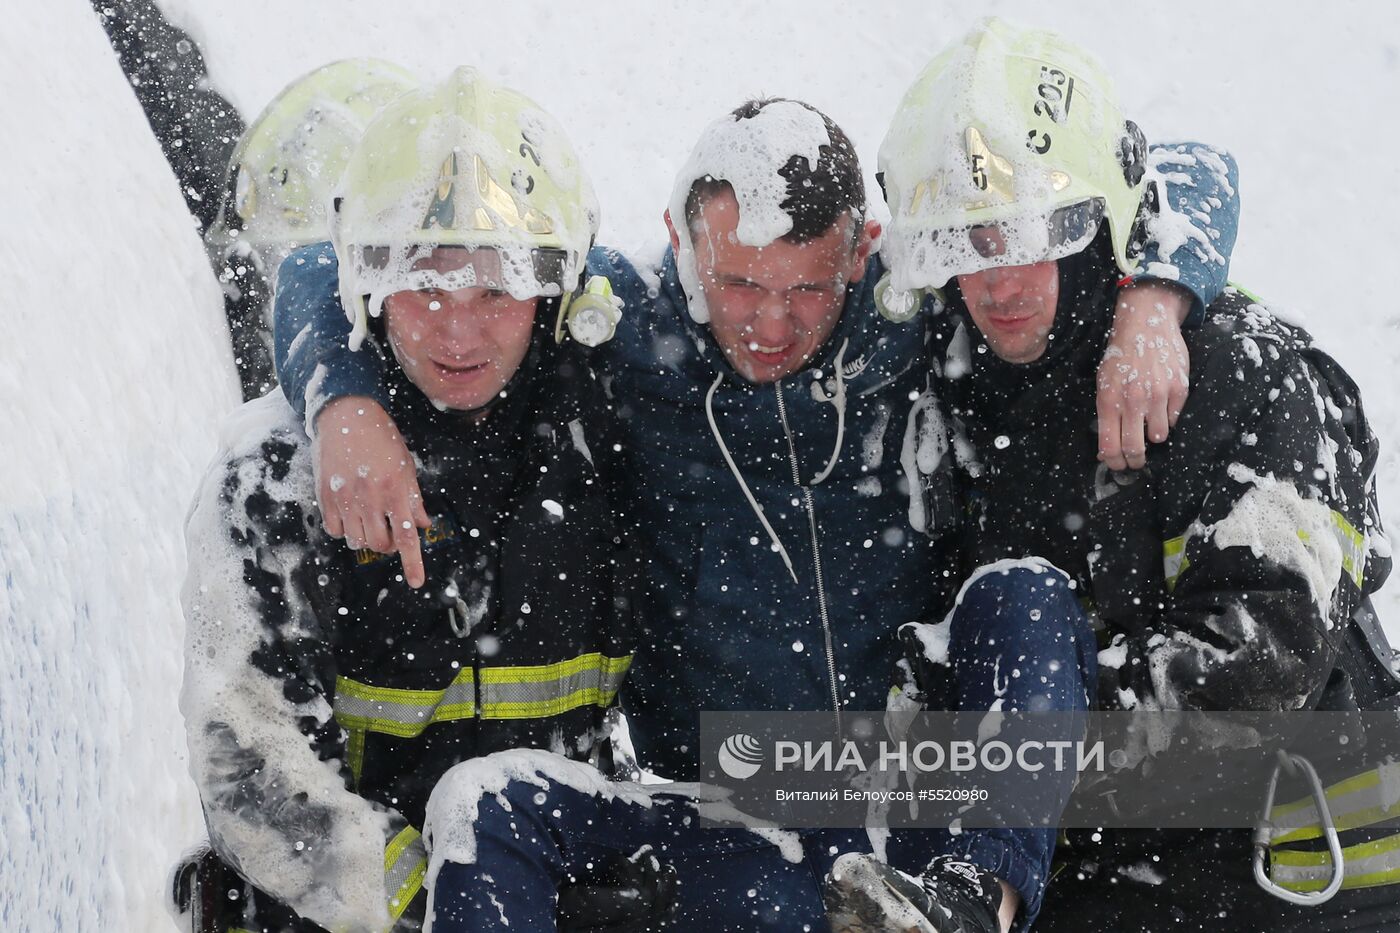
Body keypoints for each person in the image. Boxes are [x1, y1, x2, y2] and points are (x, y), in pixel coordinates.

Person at [274, 92, 1238, 930]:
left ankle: (969, 906)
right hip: (731, 805)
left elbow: (1188, 166)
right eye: (737, 282)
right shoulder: (627, 327)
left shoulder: (912, 310)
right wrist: (344, 401)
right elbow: (325, 266)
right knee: (484, 800)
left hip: (914, 796)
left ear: (863, 253)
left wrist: (1157, 300)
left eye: (807, 289)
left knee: (1023, 596)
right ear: (680, 240)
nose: (768, 324)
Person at [828, 18, 1400, 932]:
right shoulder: (957, 386)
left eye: (1028, 232)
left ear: (1095, 215)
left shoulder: (1251, 372)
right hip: (1094, 878)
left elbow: (1262, 674)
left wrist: (1040, 743)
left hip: (1306, 878)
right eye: (967, 240)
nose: (998, 280)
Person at [179, 67, 655, 933]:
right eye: (424, 286)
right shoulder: (278, 480)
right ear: (363, 286)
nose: (457, 329)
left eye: (497, 291)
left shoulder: (617, 430)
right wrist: (424, 896)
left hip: (570, 885)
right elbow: (250, 763)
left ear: (555, 290)